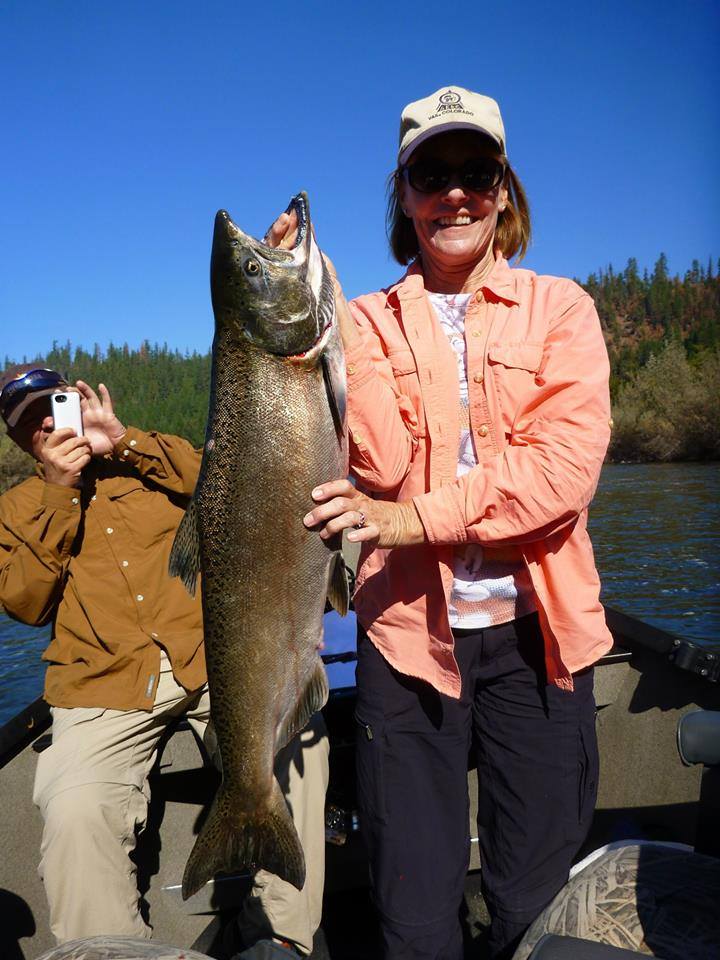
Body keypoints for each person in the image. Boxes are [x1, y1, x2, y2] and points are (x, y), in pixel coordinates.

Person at [268, 85, 613, 960]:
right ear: (405, 194)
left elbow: (558, 477)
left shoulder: (563, 310)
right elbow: (373, 467)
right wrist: (308, 328)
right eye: (432, 172)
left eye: (475, 171)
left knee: (534, 906)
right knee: (414, 922)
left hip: (538, 640)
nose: (454, 192)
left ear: (503, 189)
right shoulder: (357, 322)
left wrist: (407, 520)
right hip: (405, 647)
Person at [0, 365, 328, 959]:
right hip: (99, 684)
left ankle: (283, 941)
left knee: (300, 754)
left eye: (55, 405)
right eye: (30, 422)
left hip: (212, 663)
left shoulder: (149, 460)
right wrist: (57, 490)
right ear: (22, 441)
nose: (48, 422)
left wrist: (123, 440)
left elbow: (238, 478)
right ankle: (113, 951)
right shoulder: (17, 508)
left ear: (80, 402)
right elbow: (24, 601)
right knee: (75, 811)